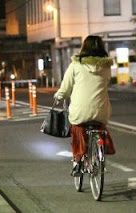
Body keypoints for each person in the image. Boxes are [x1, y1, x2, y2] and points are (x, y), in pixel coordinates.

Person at [54, 35, 115, 175]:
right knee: (99, 126)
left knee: (77, 127)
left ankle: (78, 161)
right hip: (101, 111)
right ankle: (99, 152)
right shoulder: (106, 67)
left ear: (84, 47)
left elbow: (66, 87)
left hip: (79, 112)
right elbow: (107, 81)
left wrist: (59, 96)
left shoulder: (75, 65)